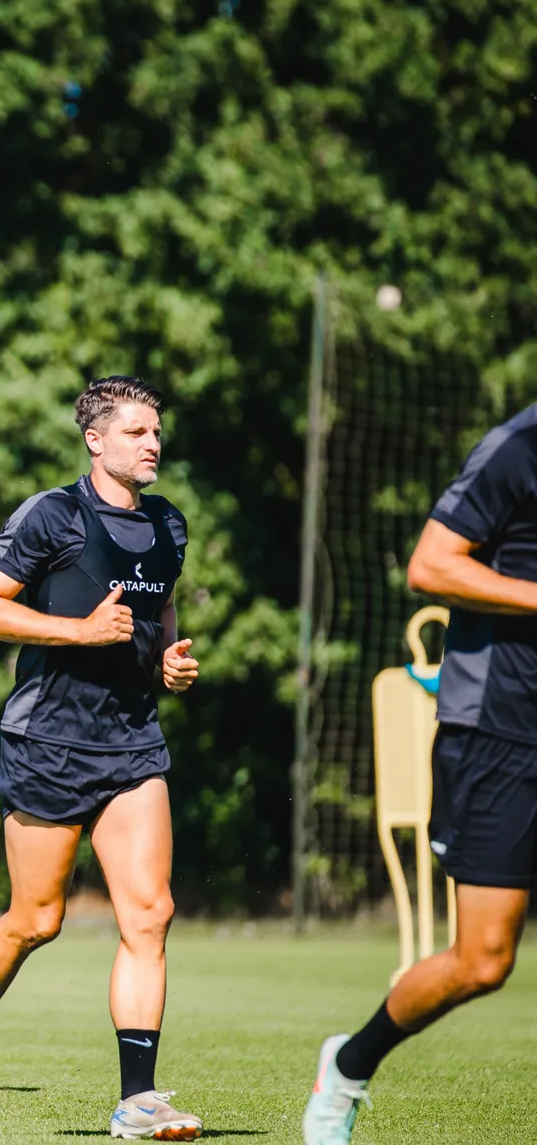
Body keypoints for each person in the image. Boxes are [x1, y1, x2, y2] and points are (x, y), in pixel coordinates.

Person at [0, 376, 200, 1140]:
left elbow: (159, 616)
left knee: (150, 914)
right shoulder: (52, 514)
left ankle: (139, 1098)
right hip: (48, 742)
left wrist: (170, 664)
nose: (152, 443)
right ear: (96, 440)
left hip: (131, 741)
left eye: (156, 432)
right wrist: (77, 633)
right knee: (36, 919)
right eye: (136, 432)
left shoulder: (168, 525)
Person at [304, 403, 537, 1145]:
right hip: (502, 727)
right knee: (482, 960)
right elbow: (430, 565)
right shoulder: (519, 448)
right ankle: (349, 1065)